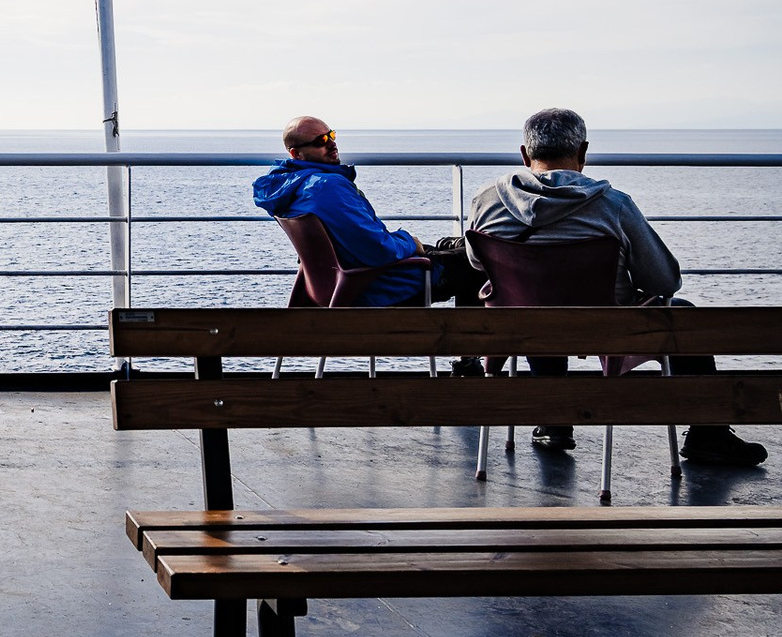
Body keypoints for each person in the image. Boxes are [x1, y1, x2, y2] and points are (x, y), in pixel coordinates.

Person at [466, 107, 766, 465]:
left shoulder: (487, 200)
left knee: (535, 301)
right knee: (682, 313)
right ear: (583, 152)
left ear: (524, 154)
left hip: (520, 329)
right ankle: (708, 434)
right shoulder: (615, 205)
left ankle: (554, 420)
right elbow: (665, 281)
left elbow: (476, 263)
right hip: (607, 332)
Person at [252, 117, 485, 311]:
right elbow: (380, 250)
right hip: (380, 284)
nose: (332, 144)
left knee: (463, 250)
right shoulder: (326, 188)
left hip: (345, 279)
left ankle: (452, 246)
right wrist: (409, 241)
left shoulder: (291, 189)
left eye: (331, 135)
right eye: (320, 141)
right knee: (481, 262)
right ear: (297, 154)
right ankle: (474, 350)